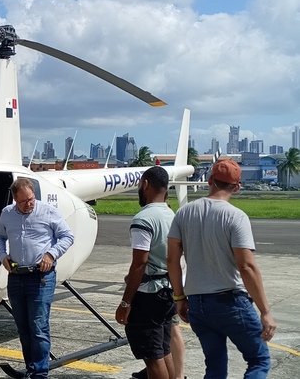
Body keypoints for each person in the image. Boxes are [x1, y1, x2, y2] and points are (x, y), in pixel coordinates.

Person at [168, 157, 276, 378]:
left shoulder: (184, 213)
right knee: (259, 360)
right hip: (230, 301)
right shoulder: (236, 216)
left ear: (210, 180)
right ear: (236, 187)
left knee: (215, 367)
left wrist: (179, 298)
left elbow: (172, 260)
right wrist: (265, 311)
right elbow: (246, 266)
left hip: (198, 303)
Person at [0, 178, 75, 378]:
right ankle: (31, 369)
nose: (29, 204)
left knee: (38, 326)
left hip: (41, 278)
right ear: (15, 200)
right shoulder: (7, 214)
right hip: (17, 276)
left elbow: (67, 236)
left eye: (31, 199)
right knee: (23, 326)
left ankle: (40, 373)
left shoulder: (48, 211)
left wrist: (51, 254)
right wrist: (3, 256)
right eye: (23, 202)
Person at [114, 166, 177, 379]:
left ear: (146, 184)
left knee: (152, 356)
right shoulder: (171, 214)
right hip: (169, 291)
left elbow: (139, 263)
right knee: (163, 349)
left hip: (149, 295)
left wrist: (125, 303)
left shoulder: (144, 219)